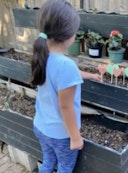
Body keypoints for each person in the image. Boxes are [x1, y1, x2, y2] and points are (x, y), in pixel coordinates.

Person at [30, 0, 101, 172]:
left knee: (47, 163)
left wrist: (91, 75)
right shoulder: (65, 65)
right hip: (61, 135)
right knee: (65, 168)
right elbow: (66, 106)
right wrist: (75, 138)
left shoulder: (42, 55)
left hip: (41, 126)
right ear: (70, 36)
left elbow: (67, 76)